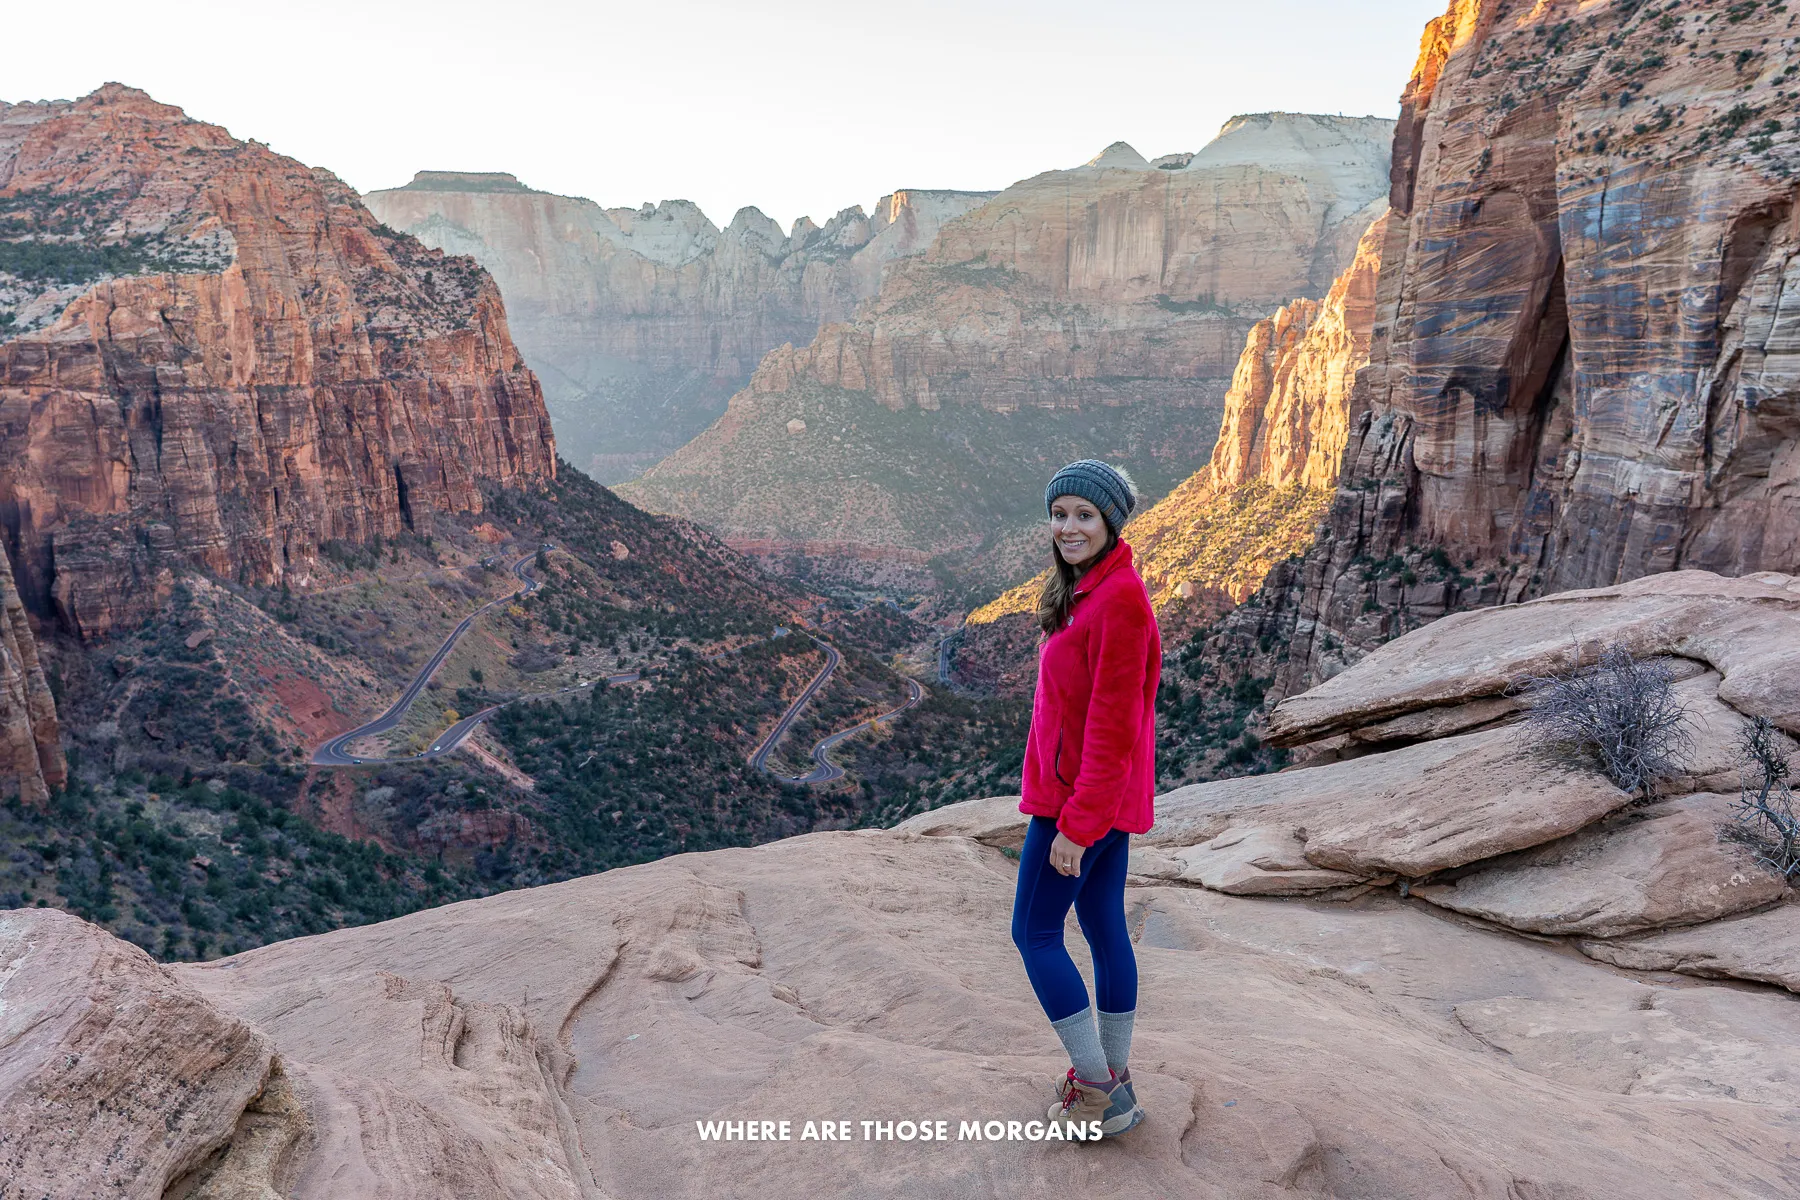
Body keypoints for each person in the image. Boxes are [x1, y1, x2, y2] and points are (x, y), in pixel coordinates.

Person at [1010, 459, 1161, 1139]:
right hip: (1095, 802)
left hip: (1080, 805)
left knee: (1035, 934)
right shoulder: (1086, 589)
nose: (1067, 527)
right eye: (1060, 513)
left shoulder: (1119, 601)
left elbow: (1113, 728)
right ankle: (1116, 1079)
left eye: (1084, 516)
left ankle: (1098, 1090)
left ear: (1110, 523)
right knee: (1102, 927)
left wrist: (1076, 826)